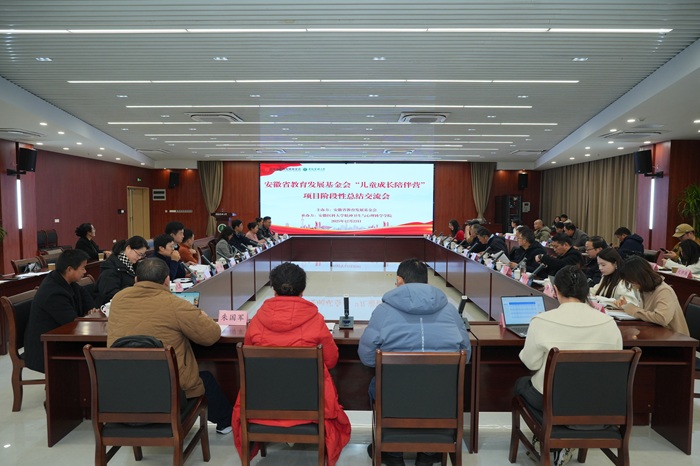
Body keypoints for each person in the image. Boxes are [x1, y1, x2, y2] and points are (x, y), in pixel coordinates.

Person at [232, 262, 351, 466]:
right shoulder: (316, 320)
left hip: (262, 405)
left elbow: (251, 361)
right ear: (302, 290)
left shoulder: (257, 320)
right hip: (310, 408)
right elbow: (331, 361)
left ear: (274, 289)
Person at [359, 258, 470, 466]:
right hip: (440, 398)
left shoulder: (383, 311)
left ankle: (392, 453)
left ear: (400, 281)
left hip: (394, 397)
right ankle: (429, 452)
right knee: (440, 388)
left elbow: (367, 357)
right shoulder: (450, 311)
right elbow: (467, 354)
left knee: (378, 386)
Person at [107, 258, 233, 434]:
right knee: (205, 379)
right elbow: (210, 336)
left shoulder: (118, 299)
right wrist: (202, 317)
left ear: (136, 279)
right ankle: (226, 423)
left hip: (124, 387)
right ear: (167, 280)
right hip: (168, 391)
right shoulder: (175, 303)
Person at [515, 265, 622, 466]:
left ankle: (548, 438)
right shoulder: (609, 323)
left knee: (521, 384)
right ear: (586, 291)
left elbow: (530, 362)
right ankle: (560, 443)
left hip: (555, 401)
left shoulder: (542, 320)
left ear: (556, 290)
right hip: (599, 401)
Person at [24, 249, 97, 373]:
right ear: (70, 269)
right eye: (83, 268)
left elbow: (83, 294)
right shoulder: (53, 292)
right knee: (96, 349)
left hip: (59, 339)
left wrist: (91, 309)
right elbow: (71, 323)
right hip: (45, 348)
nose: (85, 271)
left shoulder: (64, 280)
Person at [616, 255, 689, 336]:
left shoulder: (664, 290)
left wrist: (634, 310)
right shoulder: (644, 289)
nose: (631, 285)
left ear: (640, 276)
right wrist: (626, 306)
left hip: (675, 338)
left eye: (632, 281)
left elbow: (662, 319)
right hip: (656, 333)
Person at [94, 235, 148, 306]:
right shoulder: (110, 268)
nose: (139, 257)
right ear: (128, 248)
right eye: (139, 254)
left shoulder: (132, 264)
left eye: (142, 255)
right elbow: (109, 294)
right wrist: (132, 291)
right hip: (113, 306)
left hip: (129, 302)